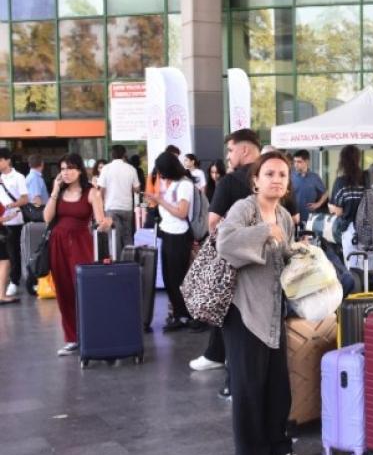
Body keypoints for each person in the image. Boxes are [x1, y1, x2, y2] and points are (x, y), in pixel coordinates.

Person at [216, 150, 304, 455]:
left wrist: (301, 255)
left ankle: (278, 446)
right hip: (244, 310)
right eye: (270, 174)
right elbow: (225, 242)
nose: (277, 179)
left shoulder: (282, 215)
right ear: (255, 179)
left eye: (283, 174)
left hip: (272, 312)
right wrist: (263, 233)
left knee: (277, 385)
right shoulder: (245, 209)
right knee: (249, 386)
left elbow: (283, 259)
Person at [189, 129, 261, 381]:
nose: (228, 156)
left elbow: (212, 222)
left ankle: (232, 378)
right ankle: (216, 355)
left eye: (230, 150)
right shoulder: (277, 181)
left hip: (235, 262)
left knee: (230, 312)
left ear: (244, 149)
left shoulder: (230, 182)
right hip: (269, 261)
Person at [44, 153, 112, 355]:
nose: (65, 172)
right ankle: (72, 337)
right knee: (64, 291)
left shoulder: (91, 193)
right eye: (62, 169)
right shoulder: (59, 192)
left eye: (70, 168)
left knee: (84, 290)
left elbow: (100, 221)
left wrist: (107, 223)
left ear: (80, 170)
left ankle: (92, 334)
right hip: (57, 244)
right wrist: (55, 190)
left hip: (81, 244)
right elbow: (47, 217)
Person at [144, 152, 195, 333]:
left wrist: (160, 201)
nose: (160, 175)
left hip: (178, 235)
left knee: (176, 278)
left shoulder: (184, 185)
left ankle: (183, 315)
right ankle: (179, 313)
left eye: (162, 171)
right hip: (168, 232)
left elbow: (181, 212)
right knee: (168, 277)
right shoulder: (173, 182)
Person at [329, 145, 373, 270]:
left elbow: (338, 211)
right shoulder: (367, 178)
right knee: (369, 268)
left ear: (342, 161)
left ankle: (357, 289)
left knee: (353, 268)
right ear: (358, 159)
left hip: (350, 230)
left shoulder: (341, 182)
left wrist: (331, 208)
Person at [98, 145, 140, 258]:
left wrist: (100, 205)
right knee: (127, 235)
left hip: (111, 207)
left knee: (114, 236)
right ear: (124, 154)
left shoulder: (106, 169)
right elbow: (137, 189)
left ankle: (117, 262)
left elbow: (101, 189)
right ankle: (130, 260)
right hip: (127, 207)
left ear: (112, 155)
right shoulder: (131, 169)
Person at [0, 148, 29, 297]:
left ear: (7, 160)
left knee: (13, 253)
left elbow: (25, 199)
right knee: (2, 256)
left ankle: (14, 282)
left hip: (14, 221)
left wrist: (11, 206)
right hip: (1, 221)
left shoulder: (18, 177)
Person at [291, 149, 327, 225]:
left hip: (310, 220)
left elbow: (325, 193)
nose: (296, 164)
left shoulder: (315, 177)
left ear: (307, 162)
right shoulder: (290, 177)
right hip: (293, 219)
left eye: (299, 162)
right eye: (295, 161)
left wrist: (318, 204)